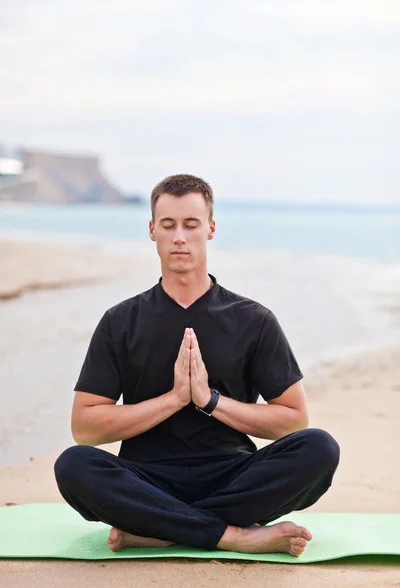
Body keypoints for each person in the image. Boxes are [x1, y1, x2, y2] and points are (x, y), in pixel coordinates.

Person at [54, 174, 340, 557]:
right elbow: (85, 428)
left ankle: (157, 528)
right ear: (152, 230)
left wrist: (209, 401)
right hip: (147, 480)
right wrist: (173, 399)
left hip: (233, 478)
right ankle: (233, 536)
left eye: (191, 224)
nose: (179, 237)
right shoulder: (120, 321)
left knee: (319, 448)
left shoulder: (253, 320)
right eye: (168, 225)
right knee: (74, 466)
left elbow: (292, 421)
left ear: (211, 229)